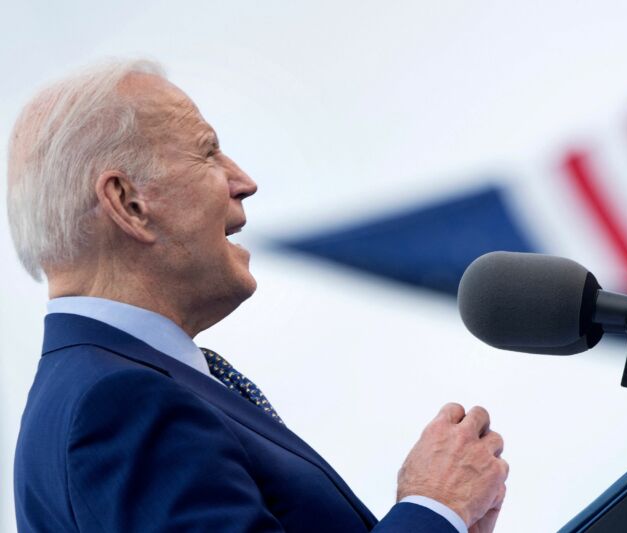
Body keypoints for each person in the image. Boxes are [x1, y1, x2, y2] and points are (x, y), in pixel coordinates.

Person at [8, 60, 509, 533]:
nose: (244, 182)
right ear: (128, 203)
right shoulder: (121, 404)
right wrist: (433, 508)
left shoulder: (103, 391)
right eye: (207, 152)